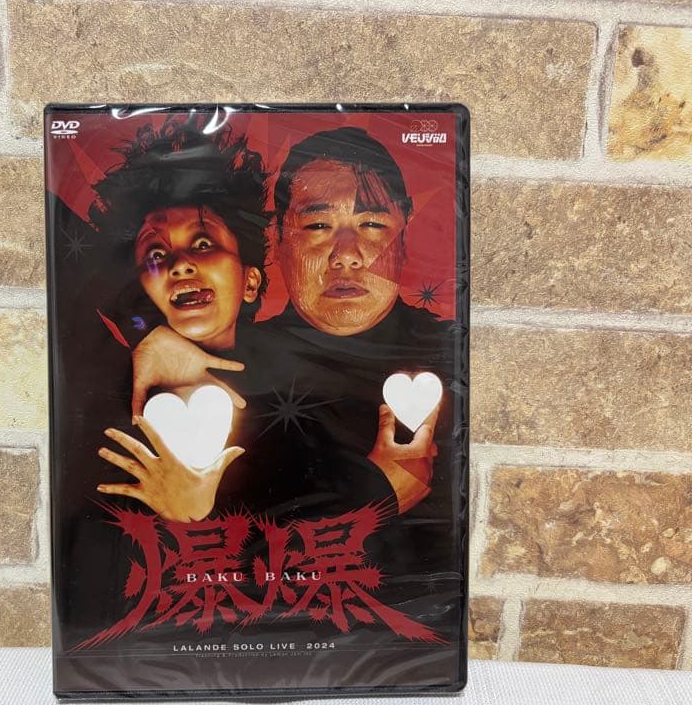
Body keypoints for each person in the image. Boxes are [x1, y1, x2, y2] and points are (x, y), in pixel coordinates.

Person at [132, 127, 452, 518]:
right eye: (318, 226)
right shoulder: (216, 373)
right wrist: (142, 332)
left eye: (371, 224)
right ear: (279, 239)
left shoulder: (454, 359)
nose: (346, 255)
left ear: (405, 231)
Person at [88, 118, 270, 522]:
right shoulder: (101, 374)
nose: (180, 264)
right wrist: (141, 327)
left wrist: (197, 514)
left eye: (203, 243)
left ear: (250, 282)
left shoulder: (292, 396)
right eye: (155, 255)